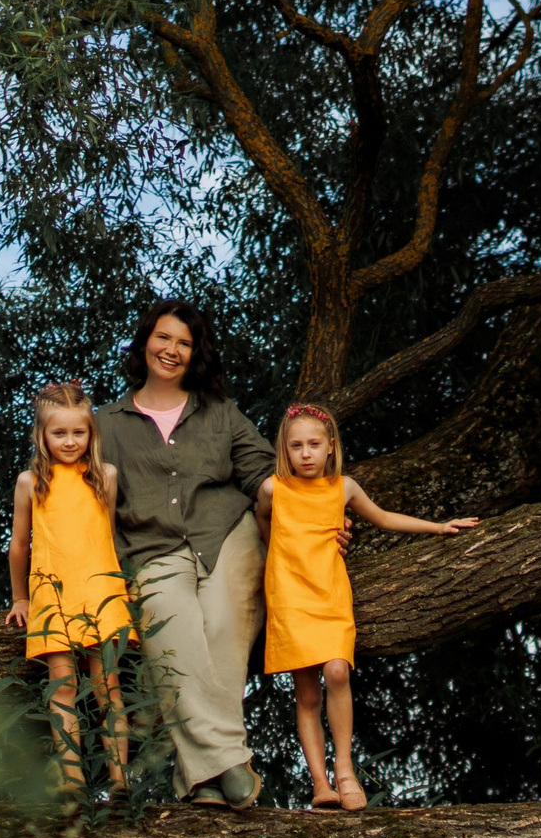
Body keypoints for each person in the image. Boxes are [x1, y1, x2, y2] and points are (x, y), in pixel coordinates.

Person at [95, 302, 276, 806]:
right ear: (144, 341)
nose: (171, 350)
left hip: (228, 535)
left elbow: (262, 473)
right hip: (150, 549)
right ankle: (227, 763)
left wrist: (316, 512)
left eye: (184, 343)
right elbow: (76, 495)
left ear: (195, 354)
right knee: (170, 636)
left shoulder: (221, 413)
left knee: (220, 628)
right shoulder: (104, 425)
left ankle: (197, 777)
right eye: (163, 338)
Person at [256, 403, 478, 811]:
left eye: (313, 444)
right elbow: (263, 523)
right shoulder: (273, 489)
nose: (305, 453)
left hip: (330, 591)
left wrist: (439, 527)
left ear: (330, 446)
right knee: (305, 693)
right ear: (284, 450)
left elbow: (384, 517)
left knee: (337, 670)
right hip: (289, 594)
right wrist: (278, 554)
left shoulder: (344, 487)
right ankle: (320, 784)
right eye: (296, 446)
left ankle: (345, 768)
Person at [2, 381, 131, 793]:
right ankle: (73, 780)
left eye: (79, 432)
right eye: (59, 433)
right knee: (63, 686)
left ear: (92, 433)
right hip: (51, 592)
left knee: (107, 687)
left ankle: (119, 778)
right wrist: (20, 596)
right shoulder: (30, 482)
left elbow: (106, 536)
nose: (70, 441)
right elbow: (18, 545)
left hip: (99, 590)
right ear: (42, 435)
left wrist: (122, 586)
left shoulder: (104, 476)